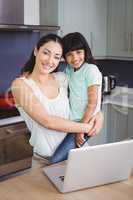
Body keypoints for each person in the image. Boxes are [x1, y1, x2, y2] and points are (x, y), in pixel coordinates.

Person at [11, 33, 103, 164]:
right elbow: (47, 121)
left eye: (56, 57)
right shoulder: (20, 85)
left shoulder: (62, 78)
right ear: (36, 51)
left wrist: (99, 115)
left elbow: (84, 98)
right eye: (46, 53)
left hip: (78, 151)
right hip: (46, 160)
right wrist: (88, 128)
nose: (50, 61)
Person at [61, 32, 102, 147]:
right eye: (69, 54)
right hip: (73, 122)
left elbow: (92, 103)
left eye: (78, 52)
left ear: (85, 51)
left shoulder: (90, 70)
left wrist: (81, 129)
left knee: (59, 158)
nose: (74, 58)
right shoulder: (69, 69)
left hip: (86, 121)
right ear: (64, 56)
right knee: (76, 155)